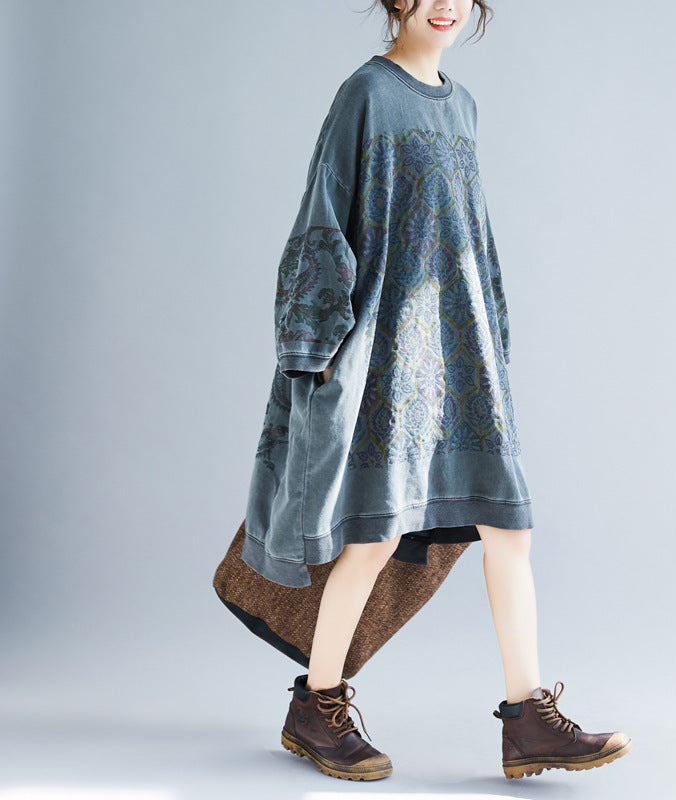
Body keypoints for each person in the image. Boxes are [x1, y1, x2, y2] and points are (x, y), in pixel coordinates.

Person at [246, 0, 632, 782]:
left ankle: (527, 720)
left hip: (459, 354)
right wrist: (313, 344)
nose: (447, 5)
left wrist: (493, 336)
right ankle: (316, 705)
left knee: (509, 527)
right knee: (374, 536)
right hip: (385, 356)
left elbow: (471, 236)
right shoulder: (366, 94)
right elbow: (322, 216)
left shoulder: (463, 106)